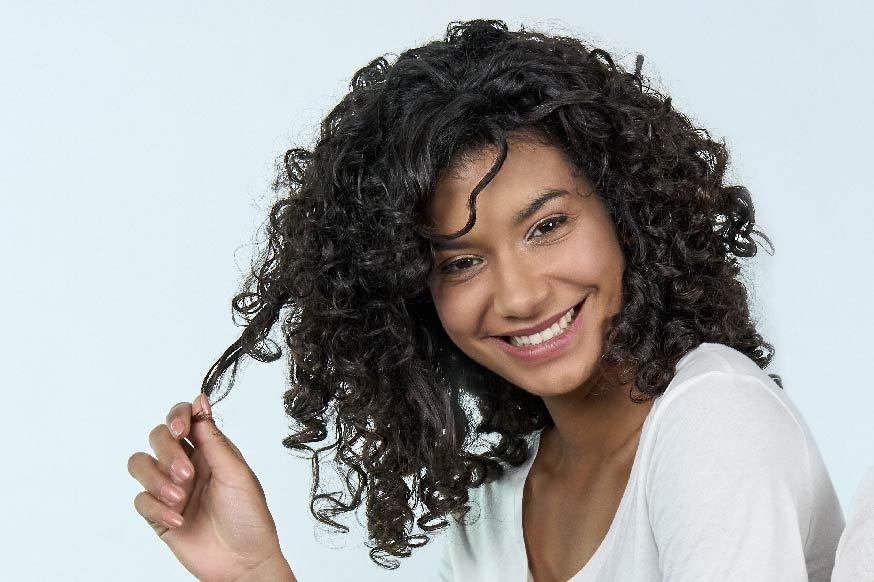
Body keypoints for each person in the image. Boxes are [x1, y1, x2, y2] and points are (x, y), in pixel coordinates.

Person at [126, 19, 851, 581]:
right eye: (463, 261)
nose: (520, 295)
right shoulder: (497, 505)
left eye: (547, 226)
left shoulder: (711, 417)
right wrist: (255, 571)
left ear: (627, 211)